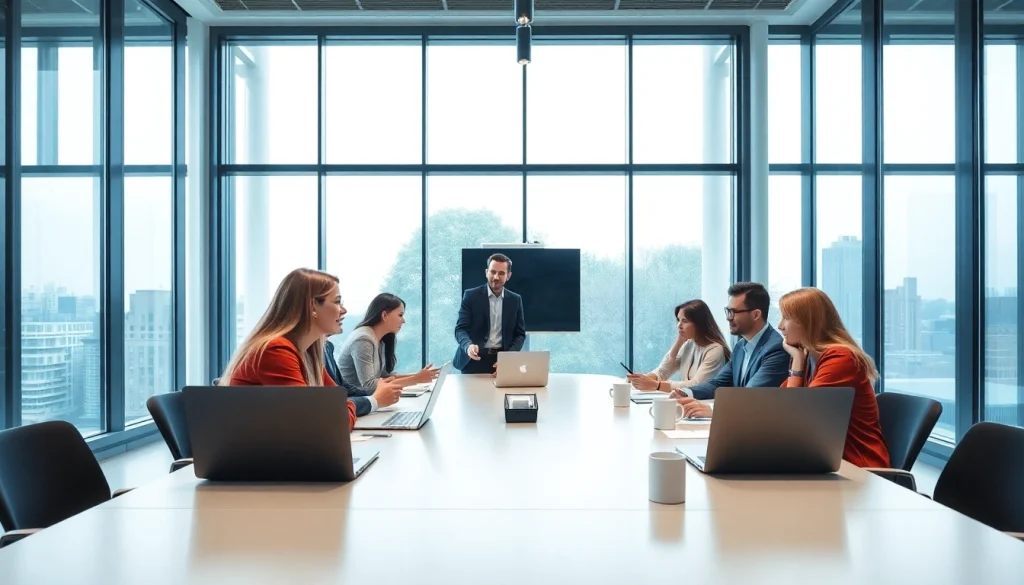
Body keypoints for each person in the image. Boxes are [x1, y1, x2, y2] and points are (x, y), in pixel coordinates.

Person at [221, 268, 358, 430]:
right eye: (337, 302)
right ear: (313, 306)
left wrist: (343, 408)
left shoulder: (306, 353)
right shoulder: (275, 350)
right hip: (254, 453)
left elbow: (338, 405)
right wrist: (347, 408)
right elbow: (328, 423)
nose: (343, 310)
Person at [775, 287, 890, 468]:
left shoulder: (841, 357)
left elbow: (794, 416)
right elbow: (778, 408)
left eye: (786, 318)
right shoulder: (809, 356)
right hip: (824, 458)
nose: (780, 326)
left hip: (856, 467)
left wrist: (796, 362)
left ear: (808, 321)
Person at [672, 282, 789, 417]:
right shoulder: (740, 346)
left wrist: (714, 411)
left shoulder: (776, 349)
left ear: (756, 314)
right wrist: (685, 392)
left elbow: (751, 396)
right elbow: (719, 383)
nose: (728, 318)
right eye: (728, 311)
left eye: (734, 312)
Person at [335, 293, 440, 388]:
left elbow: (384, 376)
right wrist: (416, 379)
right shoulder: (363, 340)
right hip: (355, 403)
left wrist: (418, 376)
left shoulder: (379, 338)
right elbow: (369, 385)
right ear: (384, 315)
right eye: (400, 315)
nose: (403, 320)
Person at [627, 299, 730, 392]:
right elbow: (663, 371)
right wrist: (641, 379)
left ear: (699, 323)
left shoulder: (715, 350)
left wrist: (656, 385)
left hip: (706, 405)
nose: (679, 325)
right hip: (689, 401)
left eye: (684, 321)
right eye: (678, 320)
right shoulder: (690, 344)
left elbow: (696, 385)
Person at [453, 253, 527, 374]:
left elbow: (519, 335)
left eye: (501, 273)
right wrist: (468, 346)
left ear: (508, 276)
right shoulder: (471, 296)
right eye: (493, 272)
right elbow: (460, 329)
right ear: (486, 272)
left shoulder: (515, 300)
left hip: (501, 361)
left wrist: (508, 359)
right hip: (473, 359)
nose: (496, 277)